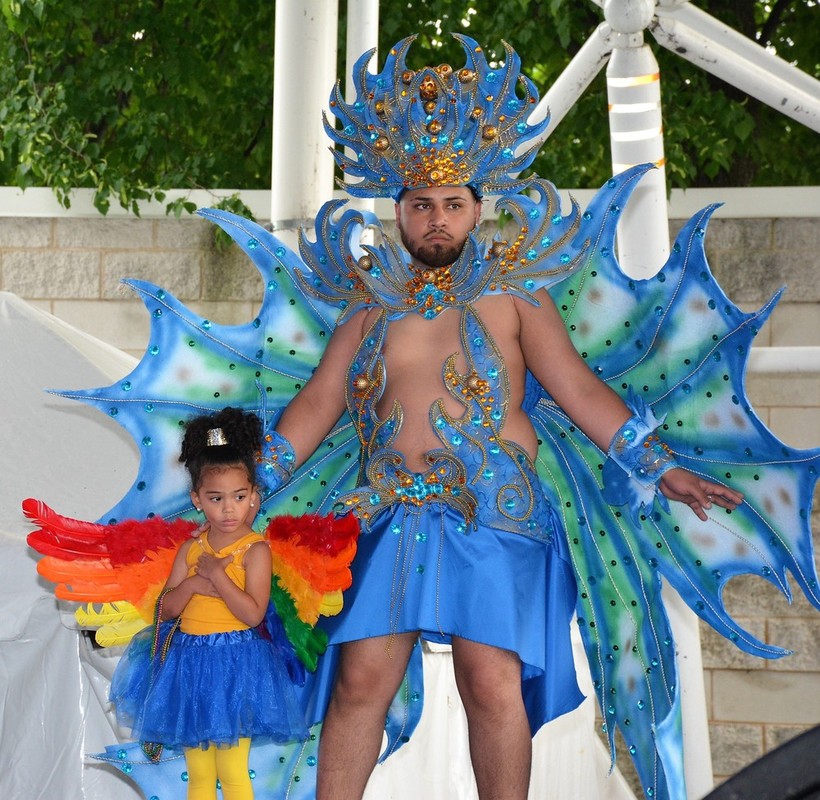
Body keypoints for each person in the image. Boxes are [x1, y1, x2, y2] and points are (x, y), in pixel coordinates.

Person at [253, 37, 746, 800]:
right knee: (359, 681)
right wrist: (251, 481)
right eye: (422, 206)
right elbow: (319, 403)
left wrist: (661, 467)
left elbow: (577, 389)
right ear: (398, 213)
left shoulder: (517, 296)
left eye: (452, 205)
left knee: (490, 683)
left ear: (477, 210)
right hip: (385, 510)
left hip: (496, 512)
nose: (437, 220)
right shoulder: (367, 308)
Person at [108, 406, 309, 800]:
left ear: (253, 496)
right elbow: (165, 610)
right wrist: (195, 583)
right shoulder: (191, 549)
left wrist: (218, 576)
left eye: (239, 497)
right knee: (199, 773)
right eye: (216, 498)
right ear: (197, 499)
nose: (228, 508)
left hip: (236, 664)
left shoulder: (255, 551)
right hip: (189, 664)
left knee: (231, 771)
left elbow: (252, 614)